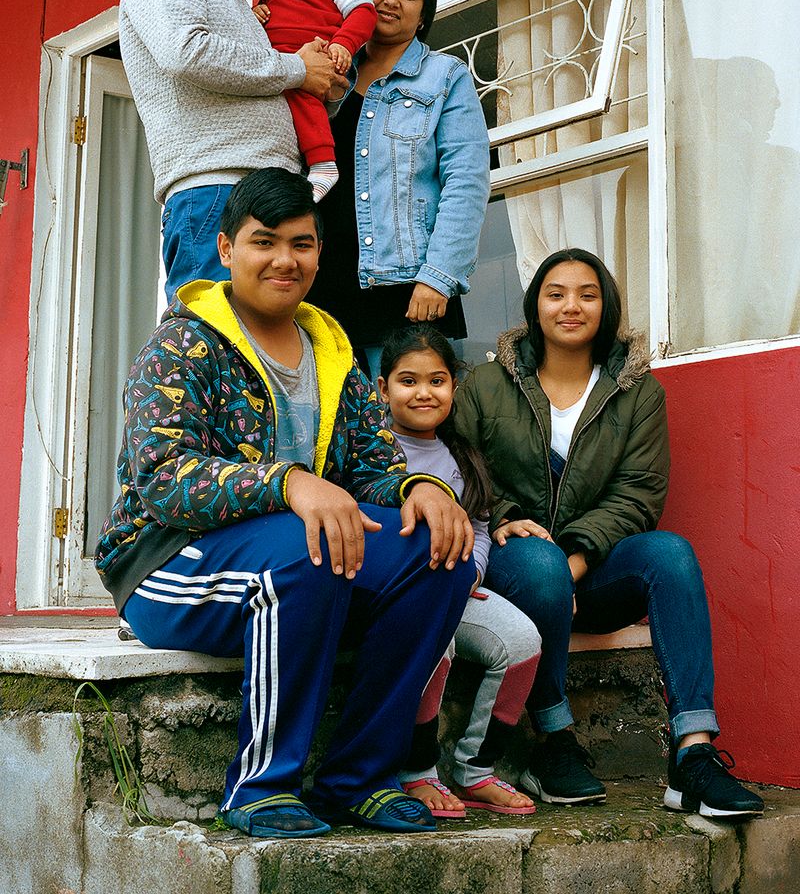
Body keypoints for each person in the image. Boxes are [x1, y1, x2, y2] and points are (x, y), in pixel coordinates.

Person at [95, 167, 475, 839]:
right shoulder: (184, 343)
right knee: (309, 549)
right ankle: (263, 786)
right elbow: (163, 477)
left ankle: (358, 777)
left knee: (437, 553)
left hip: (294, 557)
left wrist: (423, 490)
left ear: (319, 255)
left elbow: (373, 470)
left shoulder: (333, 353)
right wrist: (290, 482)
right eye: (263, 241)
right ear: (225, 249)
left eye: (300, 244)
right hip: (164, 564)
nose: (283, 259)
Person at [454, 248, 765, 819]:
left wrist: (574, 560)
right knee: (539, 566)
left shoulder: (637, 391)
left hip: (588, 576)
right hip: (511, 570)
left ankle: (693, 756)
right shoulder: (487, 385)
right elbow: (461, 467)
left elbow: (639, 495)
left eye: (587, 294)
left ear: (607, 305)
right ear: (534, 305)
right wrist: (500, 517)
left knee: (670, 554)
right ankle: (554, 739)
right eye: (556, 293)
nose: (571, 306)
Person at [119, 0, 344, 300]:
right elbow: (186, 51)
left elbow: (269, 83)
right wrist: (298, 67)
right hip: (216, 191)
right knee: (216, 349)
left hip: (269, 191)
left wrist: (325, 81)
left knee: (261, 359)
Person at [377, 325, 541, 818]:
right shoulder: (373, 453)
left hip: (458, 588)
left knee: (522, 641)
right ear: (382, 388)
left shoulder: (461, 457)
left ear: (454, 386)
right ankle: (418, 771)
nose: (424, 393)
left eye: (437, 380)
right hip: (396, 593)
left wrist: (470, 575)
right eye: (408, 381)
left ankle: (475, 769)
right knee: (438, 638)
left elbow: (481, 527)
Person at [306, 0, 490, 378]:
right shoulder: (326, 73)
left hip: (407, 294)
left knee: (407, 436)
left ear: (424, 15)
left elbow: (467, 181)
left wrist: (438, 276)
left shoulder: (445, 77)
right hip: (324, 292)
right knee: (335, 439)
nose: (391, 0)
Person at [253, 0, 377, 203]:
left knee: (301, 94)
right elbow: (275, 14)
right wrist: (254, 13)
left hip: (321, 55)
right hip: (281, 60)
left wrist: (342, 43)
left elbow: (364, 11)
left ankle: (323, 164)